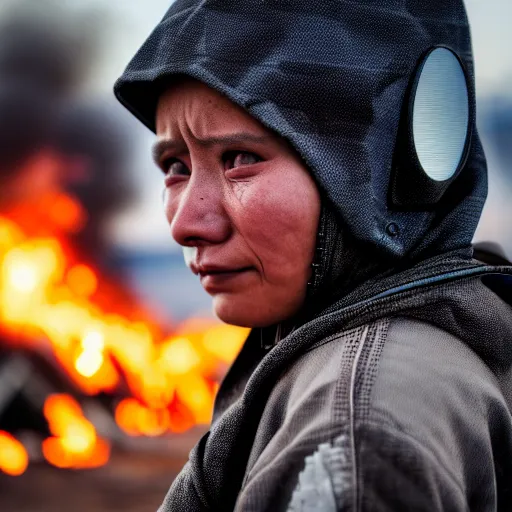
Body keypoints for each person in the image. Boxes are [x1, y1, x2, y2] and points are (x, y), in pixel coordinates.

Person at [114, 1, 512, 510]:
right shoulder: (424, 341)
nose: (186, 224)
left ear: (380, 173)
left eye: (240, 159)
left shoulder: (357, 426)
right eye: (175, 166)